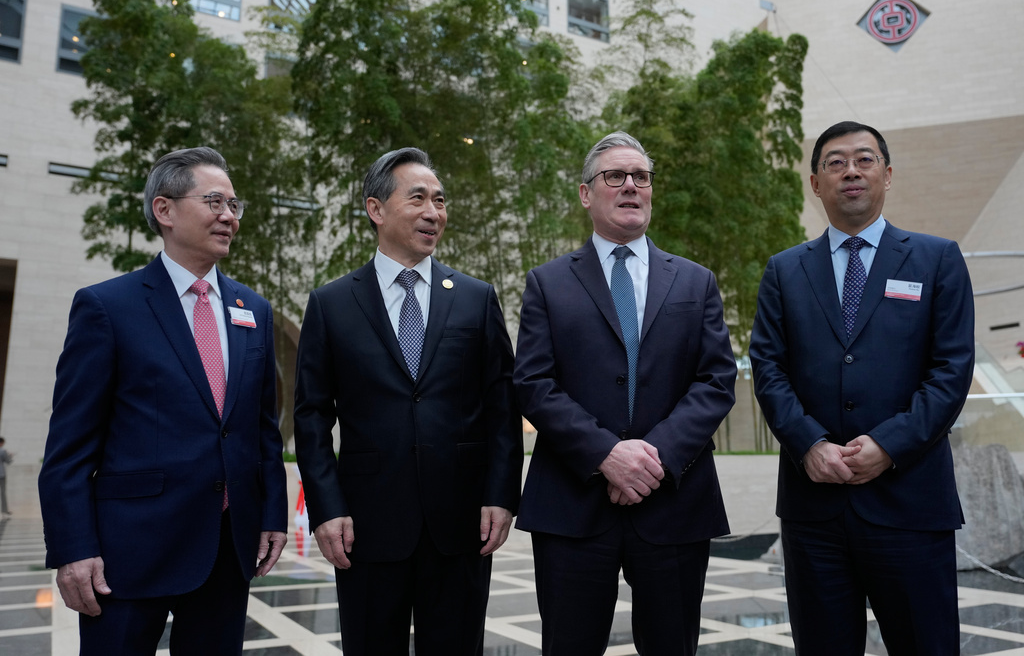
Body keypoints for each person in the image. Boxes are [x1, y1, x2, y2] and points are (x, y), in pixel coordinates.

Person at [38, 147, 289, 656]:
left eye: (235, 205)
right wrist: (74, 548)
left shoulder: (253, 310)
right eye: (215, 201)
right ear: (165, 210)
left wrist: (272, 515)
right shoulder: (108, 307)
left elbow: (261, 428)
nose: (228, 216)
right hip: (128, 553)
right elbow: (69, 446)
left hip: (226, 547)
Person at [749, 121, 974, 654]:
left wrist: (889, 445)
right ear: (815, 183)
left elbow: (951, 370)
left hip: (910, 503)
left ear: (887, 175)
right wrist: (810, 443)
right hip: (815, 511)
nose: (851, 171)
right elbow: (768, 368)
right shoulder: (785, 270)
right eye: (835, 162)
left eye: (865, 160)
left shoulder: (936, 259)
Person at [513, 131, 737, 656]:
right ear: (587, 194)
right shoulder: (547, 283)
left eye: (642, 176)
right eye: (616, 175)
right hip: (573, 505)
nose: (632, 185)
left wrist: (651, 458)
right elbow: (533, 383)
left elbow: (716, 380)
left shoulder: (695, 281)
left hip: (674, 503)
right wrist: (606, 455)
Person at [293, 147, 522, 656]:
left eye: (439, 201)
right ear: (376, 209)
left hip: (461, 523)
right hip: (366, 526)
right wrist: (326, 508)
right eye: (417, 198)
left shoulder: (475, 297)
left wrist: (502, 495)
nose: (433, 212)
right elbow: (310, 417)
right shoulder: (331, 304)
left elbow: (501, 408)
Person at [0, 437, 12, 516]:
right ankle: (4, 510)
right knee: (3, 492)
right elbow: (8, 461)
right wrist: (10, 455)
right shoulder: (2, 451)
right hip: (1, 474)